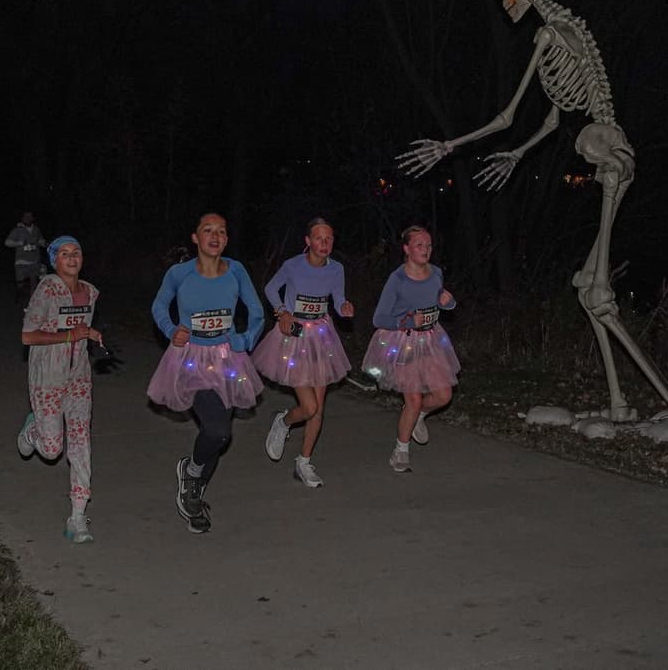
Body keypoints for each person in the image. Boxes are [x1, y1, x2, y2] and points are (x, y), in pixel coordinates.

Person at [147, 212, 265, 534]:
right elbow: (159, 306)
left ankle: (194, 489)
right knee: (216, 431)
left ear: (226, 239)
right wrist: (172, 329)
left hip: (227, 360)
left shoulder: (236, 271)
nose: (215, 236)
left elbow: (256, 312)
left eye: (221, 232)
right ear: (195, 238)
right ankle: (192, 472)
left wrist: (245, 339)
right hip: (191, 360)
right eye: (208, 231)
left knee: (222, 432)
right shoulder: (179, 273)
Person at [253, 217, 355, 487]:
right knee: (308, 407)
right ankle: (284, 422)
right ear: (308, 241)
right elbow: (270, 288)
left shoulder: (336, 270)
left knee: (318, 407)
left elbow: (338, 297)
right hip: (294, 336)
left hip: (321, 335)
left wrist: (344, 307)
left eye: (329, 238)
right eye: (319, 238)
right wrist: (282, 311)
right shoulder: (293, 265)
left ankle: (304, 462)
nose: (325, 243)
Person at [17, 235, 103, 543]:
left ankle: (77, 516)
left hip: (78, 377)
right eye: (64, 253)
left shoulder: (91, 293)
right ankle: (32, 431)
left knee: (81, 442)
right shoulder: (47, 289)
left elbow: (79, 329)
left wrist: (90, 334)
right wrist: (69, 336)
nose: (71, 257)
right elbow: (28, 336)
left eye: (76, 252)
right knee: (52, 450)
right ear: (54, 261)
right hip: (48, 376)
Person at [362, 226, 460, 473]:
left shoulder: (436, 273)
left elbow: (441, 301)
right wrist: (406, 321)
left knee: (443, 395)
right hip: (402, 341)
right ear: (406, 249)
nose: (425, 250)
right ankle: (401, 450)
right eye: (419, 245)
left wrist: (448, 302)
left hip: (431, 340)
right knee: (413, 398)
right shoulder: (398, 279)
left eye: (428, 245)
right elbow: (379, 318)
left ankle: (419, 416)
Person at [5, 210, 47, 305]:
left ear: (33, 218)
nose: (28, 218)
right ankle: (19, 295)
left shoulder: (36, 230)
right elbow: (7, 242)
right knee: (20, 283)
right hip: (21, 261)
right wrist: (19, 243)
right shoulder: (17, 230)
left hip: (35, 261)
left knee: (34, 281)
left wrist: (44, 243)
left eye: (30, 216)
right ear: (22, 218)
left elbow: (40, 240)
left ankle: (32, 303)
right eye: (26, 216)